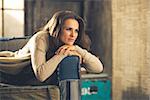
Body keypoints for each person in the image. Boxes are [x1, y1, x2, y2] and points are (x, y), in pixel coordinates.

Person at [0, 11, 103, 85]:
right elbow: (41, 75)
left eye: (76, 31)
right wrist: (63, 54)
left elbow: (98, 68)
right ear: (57, 29)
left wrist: (77, 49)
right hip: (7, 69)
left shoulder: (70, 45)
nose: (73, 35)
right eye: (68, 29)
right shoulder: (41, 37)